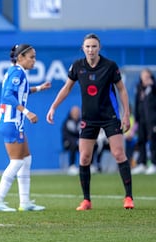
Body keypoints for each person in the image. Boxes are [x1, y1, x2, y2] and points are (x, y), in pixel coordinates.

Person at [46, 33, 134, 210]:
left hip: (109, 117)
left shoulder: (110, 66)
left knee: (118, 154)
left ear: (99, 48)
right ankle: (86, 200)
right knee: (85, 157)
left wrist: (125, 115)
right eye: (87, 46)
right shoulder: (78, 66)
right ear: (82, 48)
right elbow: (66, 88)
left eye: (94, 46)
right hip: (89, 119)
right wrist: (53, 107)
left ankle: (128, 197)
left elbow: (122, 91)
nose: (91, 49)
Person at [0, 44, 51, 212]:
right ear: (20, 57)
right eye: (31, 57)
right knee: (16, 161)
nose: (34, 61)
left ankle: (25, 202)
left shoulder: (17, 71)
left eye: (34, 57)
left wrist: (39, 88)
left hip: (13, 121)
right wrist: (27, 112)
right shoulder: (17, 72)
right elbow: (7, 95)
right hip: (11, 121)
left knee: (26, 158)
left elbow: (21, 93)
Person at [132, 68, 156, 175]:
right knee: (141, 141)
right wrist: (136, 119)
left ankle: (154, 164)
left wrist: (152, 85)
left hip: (152, 120)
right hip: (141, 120)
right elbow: (137, 103)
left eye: (147, 75)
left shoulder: (153, 87)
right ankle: (142, 163)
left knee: (153, 141)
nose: (145, 77)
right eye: (143, 75)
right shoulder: (139, 88)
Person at [61, 105, 81, 175]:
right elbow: (65, 135)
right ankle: (72, 166)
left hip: (80, 143)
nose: (76, 114)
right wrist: (75, 141)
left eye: (77, 112)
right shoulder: (67, 122)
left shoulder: (81, 122)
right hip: (68, 143)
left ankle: (90, 165)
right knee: (73, 145)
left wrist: (79, 141)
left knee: (90, 145)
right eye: (75, 112)